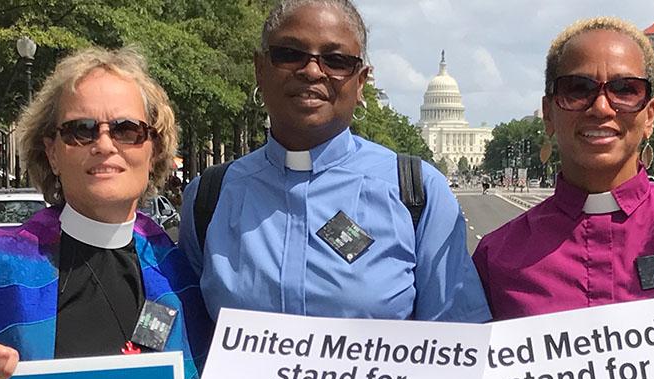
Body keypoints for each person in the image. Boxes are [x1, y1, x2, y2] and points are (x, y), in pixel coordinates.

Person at [0, 48, 211, 379]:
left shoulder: (185, 280)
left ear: (154, 150)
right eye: (81, 130)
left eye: (126, 130)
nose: (103, 144)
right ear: (53, 153)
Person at [178, 0, 490, 323]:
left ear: (361, 82)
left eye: (336, 60)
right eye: (290, 53)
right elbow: (191, 345)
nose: (312, 71)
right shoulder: (209, 199)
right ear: (260, 68)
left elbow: (457, 347)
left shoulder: (417, 193)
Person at [473, 17, 654, 321]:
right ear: (548, 113)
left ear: (650, 115)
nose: (602, 108)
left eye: (625, 89)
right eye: (578, 89)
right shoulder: (497, 258)